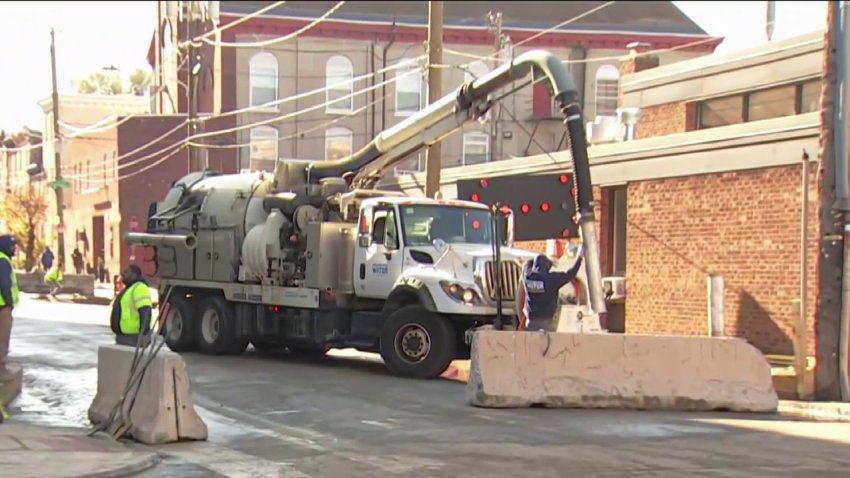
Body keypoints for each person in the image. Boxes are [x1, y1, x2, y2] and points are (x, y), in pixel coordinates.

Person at [523, 249, 583, 332]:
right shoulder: (551, 279)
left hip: (531, 322)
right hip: (548, 323)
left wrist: (535, 260)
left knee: (530, 344)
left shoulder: (527, 276)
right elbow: (571, 274)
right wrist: (579, 258)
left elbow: (526, 264)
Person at [110, 264, 154, 347]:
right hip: (124, 337)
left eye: (126, 272)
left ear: (134, 275)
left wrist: (143, 333)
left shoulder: (140, 288)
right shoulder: (129, 289)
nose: (123, 274)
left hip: (134, 338)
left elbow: (145, 311)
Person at [0, 235, 19, 383]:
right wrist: (9, 302)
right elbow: (5, 284)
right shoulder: (3, 260)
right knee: (2, 339)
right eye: (12, 246)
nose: (14, 249)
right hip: (2, 307)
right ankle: (1, 370)